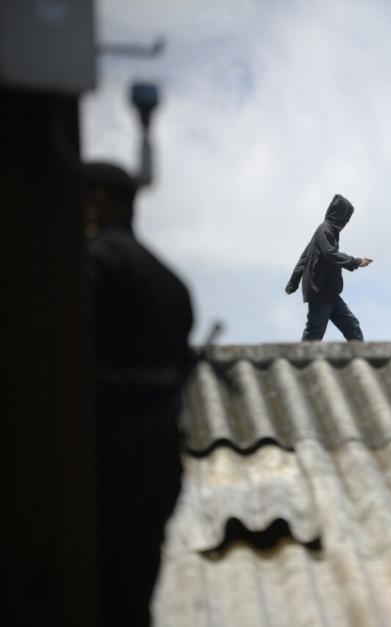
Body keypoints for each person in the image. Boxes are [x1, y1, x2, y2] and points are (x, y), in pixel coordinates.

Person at [83, 161, 195, 627]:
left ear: (97, 202)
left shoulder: (87, 267)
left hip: (104, 460)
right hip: (159, 461)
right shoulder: (172, 283)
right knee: (132, 599)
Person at [285, 194, 373, 341]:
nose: (346, 223)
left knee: (352, 328)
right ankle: (302, 362)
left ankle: (363, 360)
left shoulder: (328, 231)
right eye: (346, 218)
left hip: (330, 292)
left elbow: (304, 258)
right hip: (320, 292)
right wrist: (355, 261)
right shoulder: (324, 230)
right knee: (314, 335)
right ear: (340, 215)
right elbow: (329, 253)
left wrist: (293, 282)